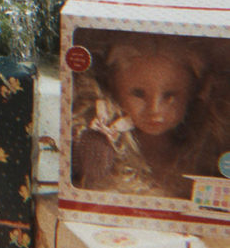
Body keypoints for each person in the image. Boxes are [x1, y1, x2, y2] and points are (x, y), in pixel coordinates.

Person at [71, 33, 219, 198]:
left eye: (169, 96)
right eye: (138, 94)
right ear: (114, 88)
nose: (154, 110)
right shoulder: (109, 141)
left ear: (192, 92)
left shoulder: (199, 153)